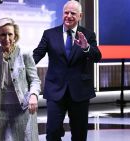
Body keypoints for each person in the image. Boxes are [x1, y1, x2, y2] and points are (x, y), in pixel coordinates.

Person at [33, 0, 102, 141]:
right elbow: (37, 54)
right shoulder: (49, 34)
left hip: (80, 91)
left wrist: (86, 47)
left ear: (80, 16)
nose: (69, 15)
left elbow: (97, 57)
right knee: (52, 132)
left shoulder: (88, 35)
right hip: (55, 89)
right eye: (66, 12)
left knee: (79, 133)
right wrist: (22, 67)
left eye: (73, 13)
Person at [0, 17, 41, 141]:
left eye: (10, 34)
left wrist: (34, 95)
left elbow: (35, 80)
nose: (7, 39)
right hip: (0, 110)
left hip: (22, 109)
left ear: (15, 35)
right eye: (3, 35)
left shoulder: (25, 53)